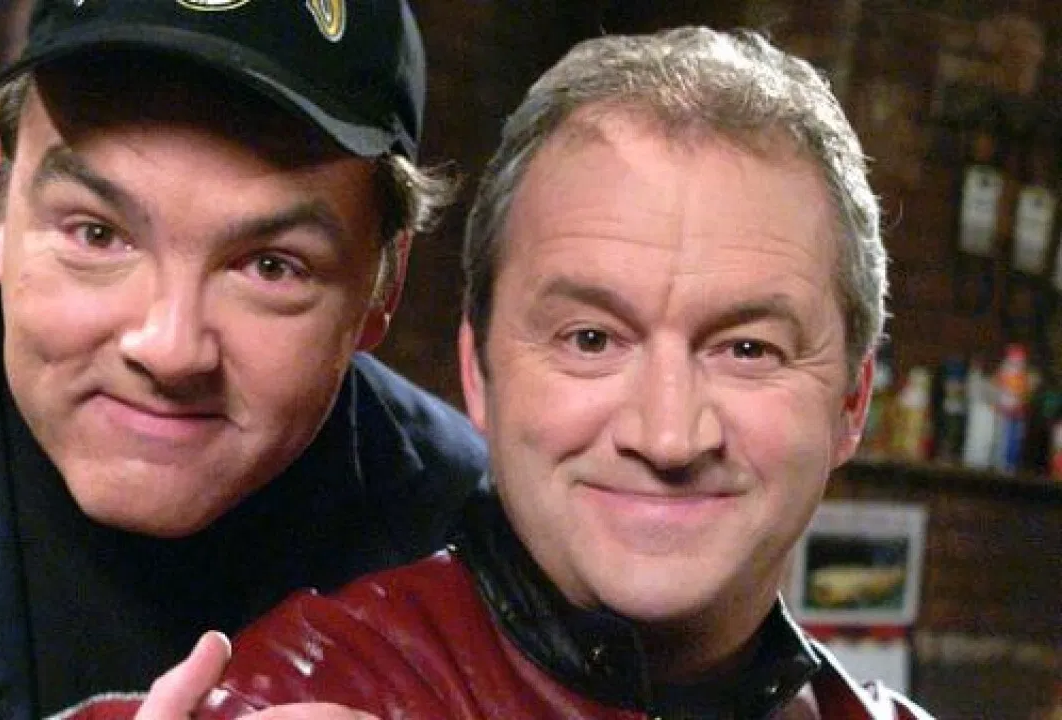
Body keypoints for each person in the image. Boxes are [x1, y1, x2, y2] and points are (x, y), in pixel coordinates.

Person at [90, 27, 936, 719]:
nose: (668, 435)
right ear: (480, 376)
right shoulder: (301, 695)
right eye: (591, 340)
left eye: (747, 350)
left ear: (852, 402)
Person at [0, 1, 487, 717]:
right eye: (97, 233)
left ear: (384, 283)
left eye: (272, 267)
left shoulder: (470, 536)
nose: (170, 349)